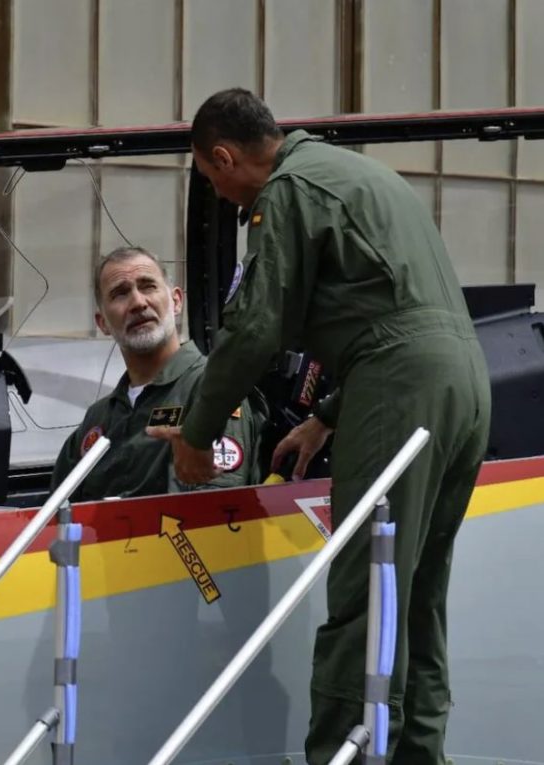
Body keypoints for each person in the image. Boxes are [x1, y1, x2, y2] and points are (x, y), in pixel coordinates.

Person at [148, 88, 491, 763]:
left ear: (222, 156)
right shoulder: (360, 174)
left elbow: (255, 329)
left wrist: (196, 432)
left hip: (399, 382)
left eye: (215, 180)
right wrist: (328, 416)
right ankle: (421, 752)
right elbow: (396, 304)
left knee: (363, 583)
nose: (221, 197)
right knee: (417, 591)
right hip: (463, 385)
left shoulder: (287, 191)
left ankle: (339, 751)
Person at [50, 245, 265, 502]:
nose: (138, 303)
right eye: (120, 294)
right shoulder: (97, 419)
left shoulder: (216, 389)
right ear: (103, 323)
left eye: (148, 286)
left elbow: (216, 513)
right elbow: (55, 518)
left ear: (176, 301)